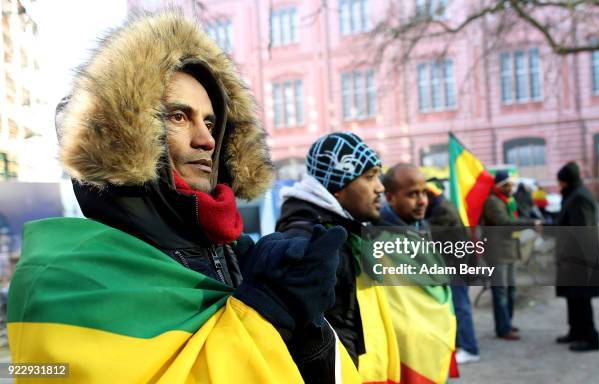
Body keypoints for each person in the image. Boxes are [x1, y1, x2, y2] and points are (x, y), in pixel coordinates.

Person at [7, 14, 360, 383]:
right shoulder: (63, 278)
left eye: (210, 122)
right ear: (125, 135)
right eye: (179, 116)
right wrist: (269, 312)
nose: (206, 139)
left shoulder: (235, 255)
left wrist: (308, 332)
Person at [276, 132, 399, 382]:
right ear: (337, 187)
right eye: (369, 177)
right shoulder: (309, 241)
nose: (380, 187)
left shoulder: (343, 230)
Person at [379, 164, 457, 381]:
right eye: (412, 194)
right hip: (410, 351)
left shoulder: (418, 226)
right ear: (391, 197)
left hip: (434, 341)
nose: (422, 201)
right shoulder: (379, 239)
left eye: (424, 192)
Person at [425, 180, 481, 364]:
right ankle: (460, 344)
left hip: (456, 265)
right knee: (457, 307)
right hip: (457, 263)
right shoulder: (443, 204)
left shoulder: (441, 209)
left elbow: (431, 233)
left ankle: (470, 349)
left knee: (461, 307)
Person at [481, 170, 541, 341]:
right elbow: (505, 223)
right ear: (499, 186)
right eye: (507, 185)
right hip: (497, 253)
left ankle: (507, 322)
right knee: (500, 291)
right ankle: (503, 328)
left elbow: (518, 215)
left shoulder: (508, 201)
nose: (511, 187)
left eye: (512, 184)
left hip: (509, 250)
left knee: (511, 290)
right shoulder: (492, 202)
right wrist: (530, 223)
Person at [555, 161, 599, 352]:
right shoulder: (574, 195)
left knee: (582, 300)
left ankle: (591, 338)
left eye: (560, 182)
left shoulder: (579, 198)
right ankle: (575, 331)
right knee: (573, 298)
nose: (559, 186)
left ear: (567, 181)